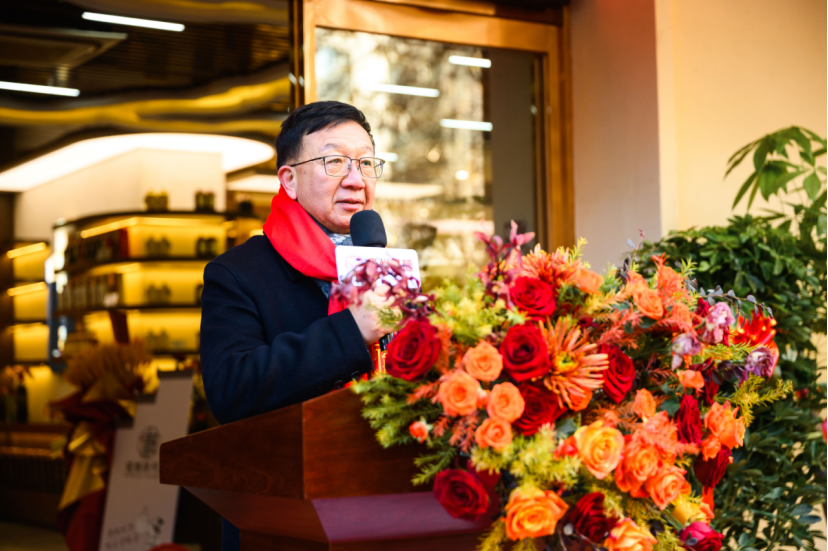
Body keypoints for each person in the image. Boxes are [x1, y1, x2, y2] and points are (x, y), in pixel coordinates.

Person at [199, 101, 391, 551]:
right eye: (334, 161)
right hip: (280, 516)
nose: (355, 179)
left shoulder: (387, 269)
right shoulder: (238, 273)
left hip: (386, 503)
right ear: (289, 180)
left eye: (366, 162)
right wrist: (353, 330)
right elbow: (231, 388)